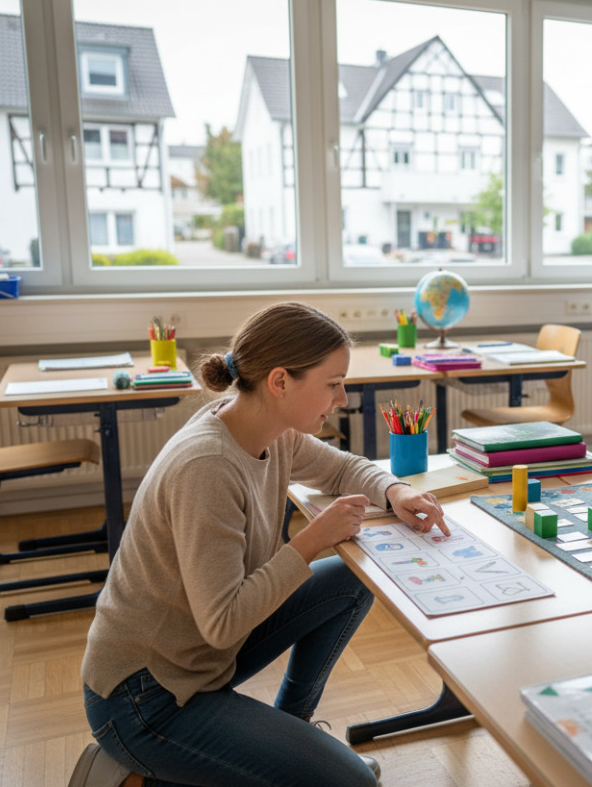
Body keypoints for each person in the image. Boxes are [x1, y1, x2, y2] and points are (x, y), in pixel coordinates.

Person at [72, 301, 448, 787]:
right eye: (332, 383)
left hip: (198, 659)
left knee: (353, 580)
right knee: (354, 783)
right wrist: (311, 540)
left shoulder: (266, 426)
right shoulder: (207, 466)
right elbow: (222, 622)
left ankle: (290, 734)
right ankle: (147, 772)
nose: (343, 397)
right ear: (280, 381)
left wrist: (397, 491)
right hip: (145, 698)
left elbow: (340, 467)